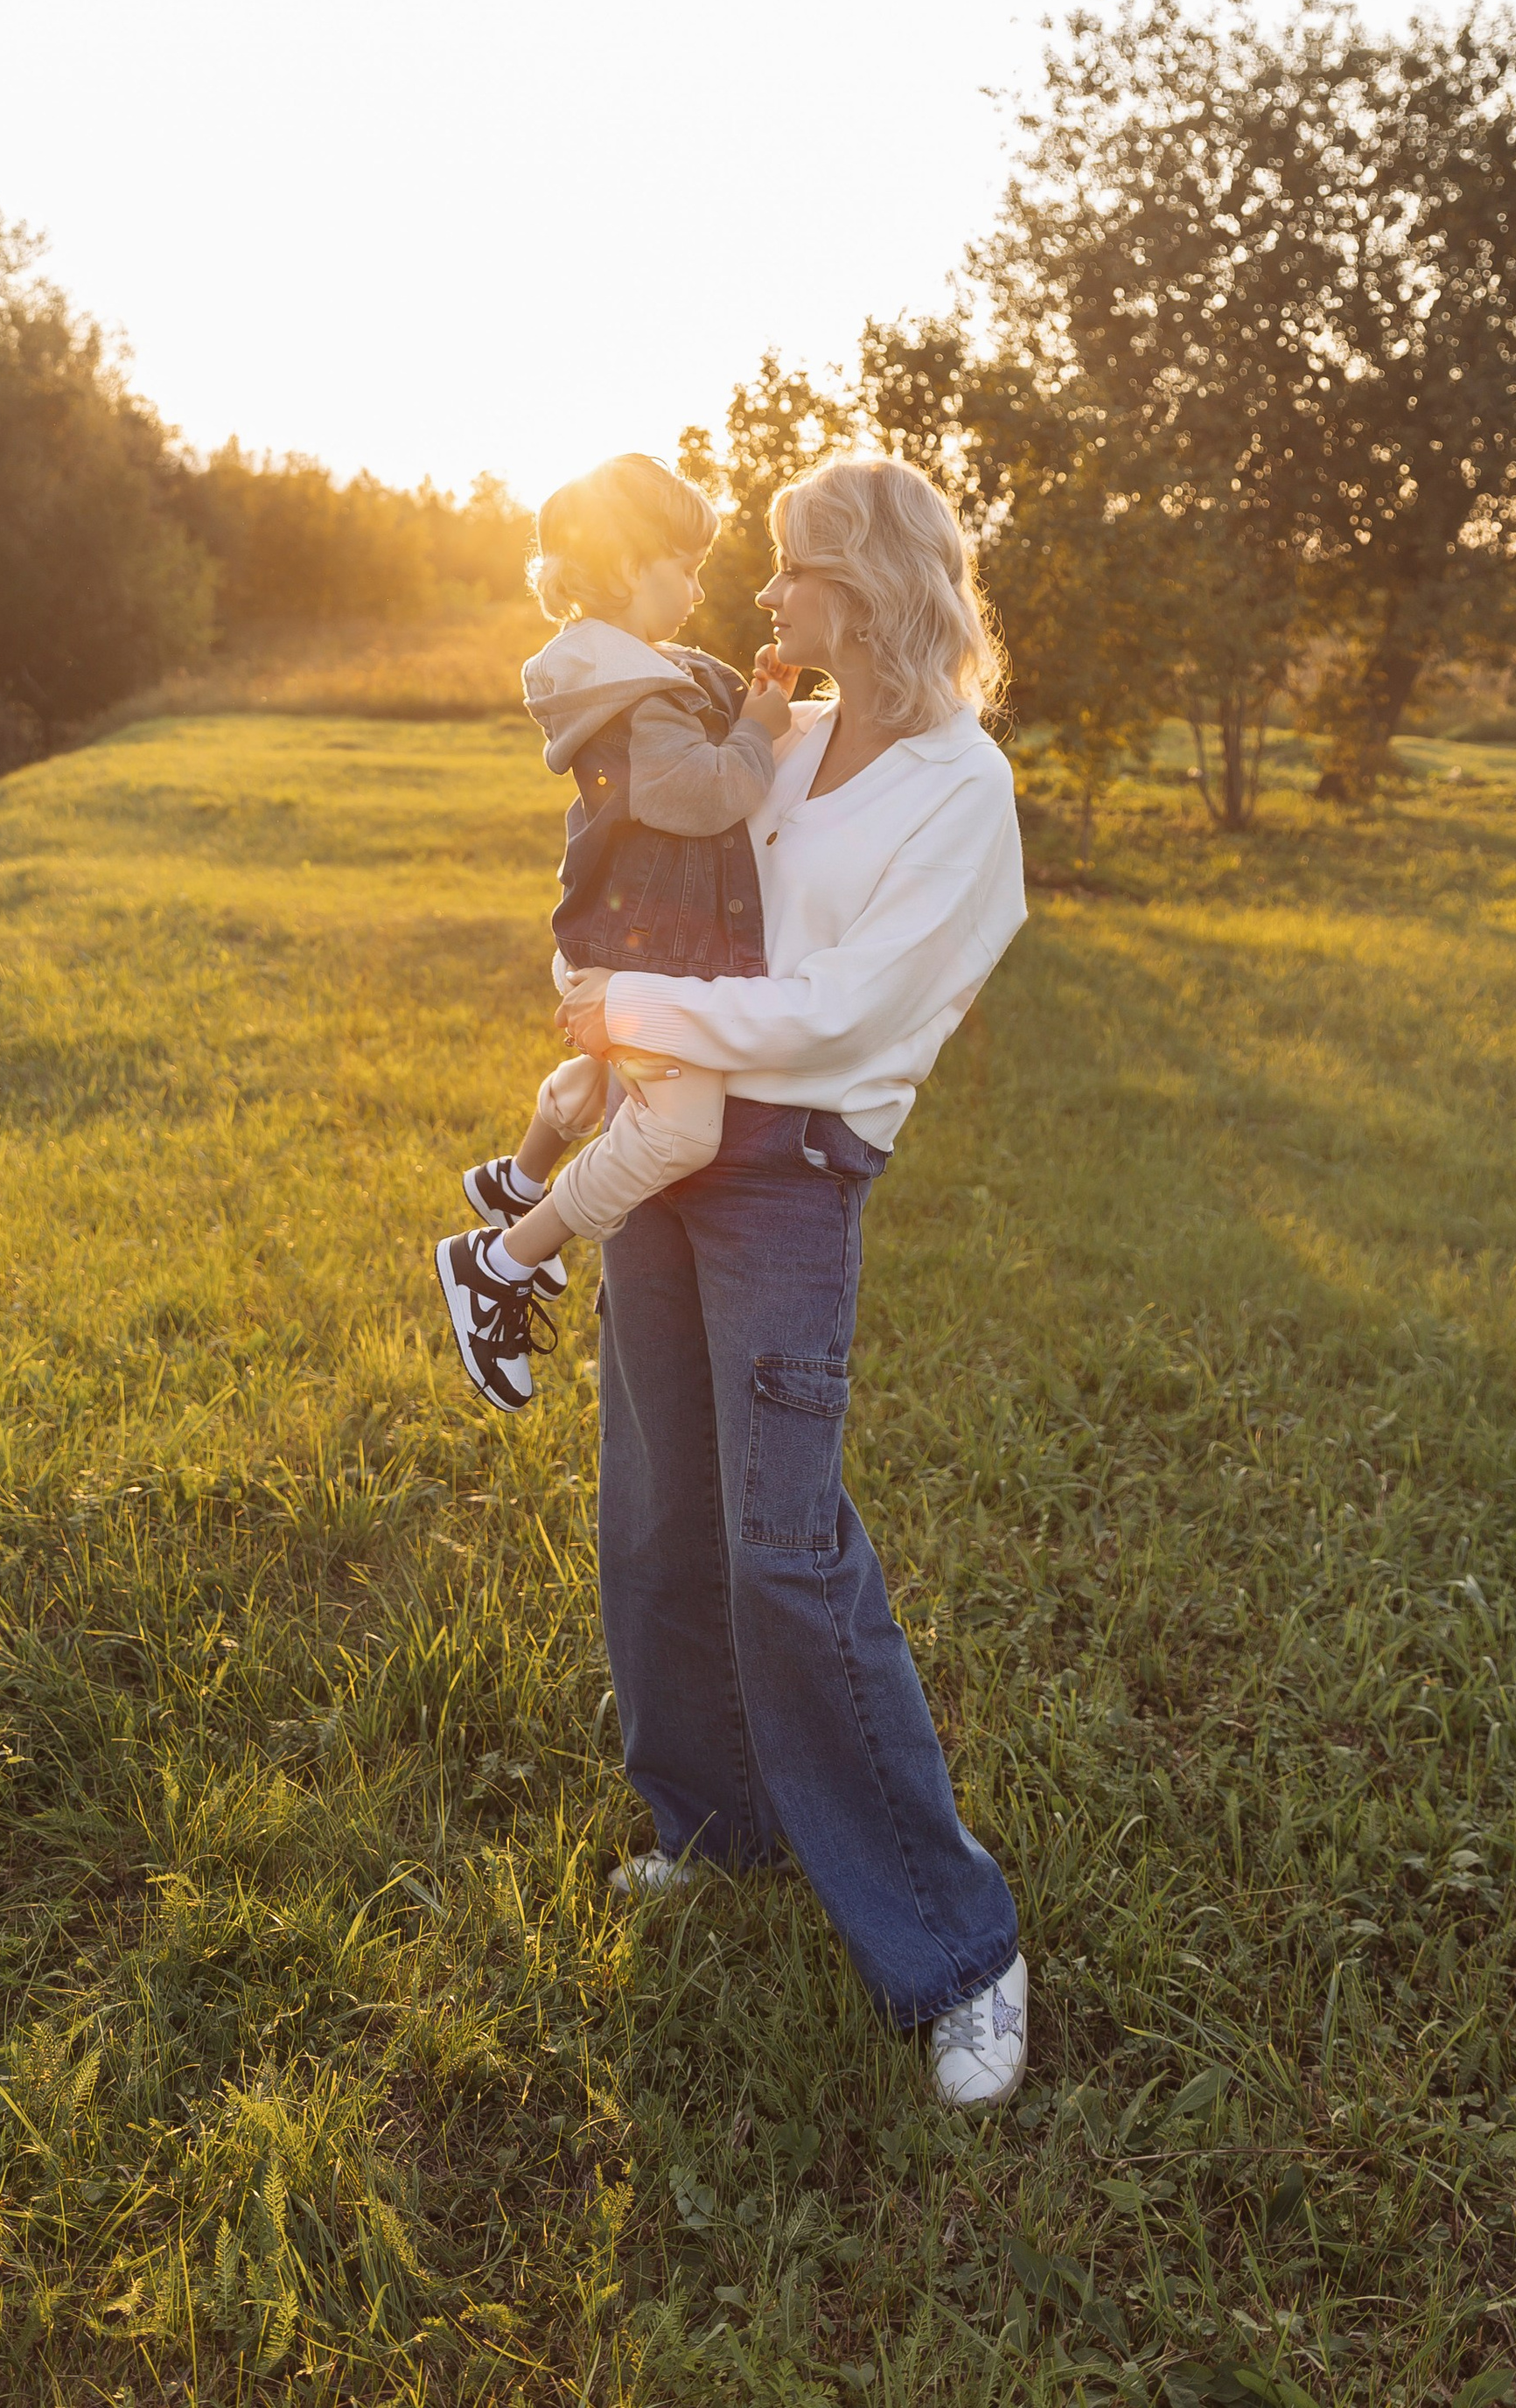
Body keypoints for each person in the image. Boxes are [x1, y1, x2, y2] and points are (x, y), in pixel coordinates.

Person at [558, 452, 1032, 2111]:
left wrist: (631, 1008)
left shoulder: (964, 792)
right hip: (667, 1140)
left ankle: (959, 1952)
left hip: (787, 1174)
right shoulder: (796, 738)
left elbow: (843, 1016)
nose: (766, 597)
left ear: (873, 583)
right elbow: (677, 883)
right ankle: (715, 1828)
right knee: (658, 1516)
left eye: (793, 567)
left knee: (784, 1550)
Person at [435, 451, 795, 1413]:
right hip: (646, 956)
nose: (698, 588)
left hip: (618, 942)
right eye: (684, 566)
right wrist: (758, 733)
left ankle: (519, 1177)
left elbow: (702, 718)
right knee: (680, 1132)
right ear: (630, 564)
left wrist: (757, 696)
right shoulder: (637, 694)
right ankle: (500, 1262)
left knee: (602, 1078)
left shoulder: (635, 670)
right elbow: (700, 793)